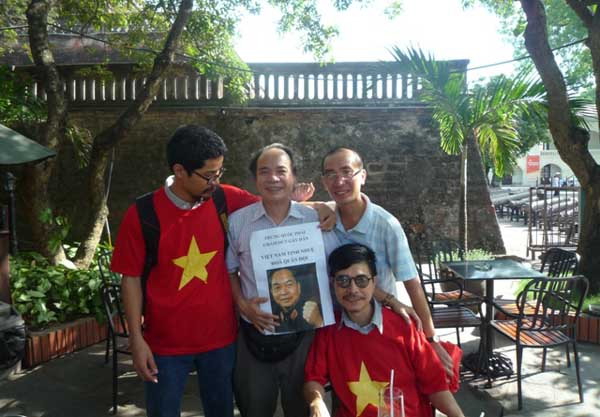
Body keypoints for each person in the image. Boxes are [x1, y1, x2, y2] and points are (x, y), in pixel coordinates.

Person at [110, 126, 332, 417]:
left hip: (221, 342)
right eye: (209, 175)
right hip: (164, 345)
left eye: (219, 172)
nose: (216, 181)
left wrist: (322, 207)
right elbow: (131, 279)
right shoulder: (143, 214)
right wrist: (136, 339)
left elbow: (274, 203)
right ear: (180, 171)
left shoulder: (223, 198)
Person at [227, 143, 340, 417]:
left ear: (293, 176)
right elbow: (230, 270)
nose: (273, 178)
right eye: (264, 171)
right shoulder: (238, 222)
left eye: (281, 171)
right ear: (255, 178)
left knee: (303, 408)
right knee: (254, 407)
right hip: (255, 334)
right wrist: (242, 304)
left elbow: (337, 268)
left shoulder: (316, 220)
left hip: (305, 337)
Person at [320, 147, 454, 375]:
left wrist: (431, 339)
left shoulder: (386, 225)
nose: (339, 181)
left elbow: (412, 285)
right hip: (337, 329)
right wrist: (319, 206)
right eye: (331, 174)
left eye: (346, 172)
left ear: (362, 176)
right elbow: (289, 206)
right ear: (324, 181)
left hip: (379, 328)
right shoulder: (324, 221)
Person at [304, 243, 465, 417]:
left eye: (361, 280)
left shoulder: (404, 326)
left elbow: (436, 387)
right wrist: (316, 402)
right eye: (343, 281)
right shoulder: (328, 330)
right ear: (332, 283)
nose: (353, 289)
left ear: (374, 282)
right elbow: (313, 379)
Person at [268, 266, 324, 333]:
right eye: (277, 287)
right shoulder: (268, 315)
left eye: (289, 284)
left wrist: (318, 322)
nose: (283, 292)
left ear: (298, 287)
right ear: (271, 292)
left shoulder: (316, 311)